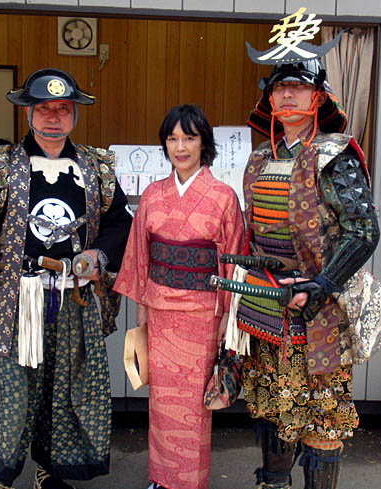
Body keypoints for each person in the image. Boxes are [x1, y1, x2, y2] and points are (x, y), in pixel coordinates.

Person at [231, 10, 381, 489]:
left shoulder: (335, 154)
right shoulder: (260, 157)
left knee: (322, 417)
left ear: (318, 96)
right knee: (272, 405)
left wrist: (323, 284)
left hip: (319, 309)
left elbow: (362, 231)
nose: (287, 95)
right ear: (269, 97)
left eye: (298, 87)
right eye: (279, 87)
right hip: (265, 301)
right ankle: (272, 483)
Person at [0, 68, 133, 489]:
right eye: (44, 109)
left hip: (74, 299)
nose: (53, 118)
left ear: (75, 114)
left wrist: (98, 254)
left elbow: (120, 222)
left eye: (63, 109)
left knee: (63, 388)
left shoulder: (96, 167)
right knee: (12, 389)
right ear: (28, 112)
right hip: (16, 302)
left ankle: (51, 470)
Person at [114, 104, 244, 489]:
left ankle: (189, 482)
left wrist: (226, 316)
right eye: (172, 139)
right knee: (161, 401)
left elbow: (233, 259)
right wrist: (142, 309)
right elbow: (140, 255)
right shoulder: (153, 195)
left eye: (189, 138)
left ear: (204, 143)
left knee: (193, 403)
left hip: (203, 314)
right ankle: (161, 478)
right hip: (160, 311)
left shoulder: (223, 197)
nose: (180, 147)